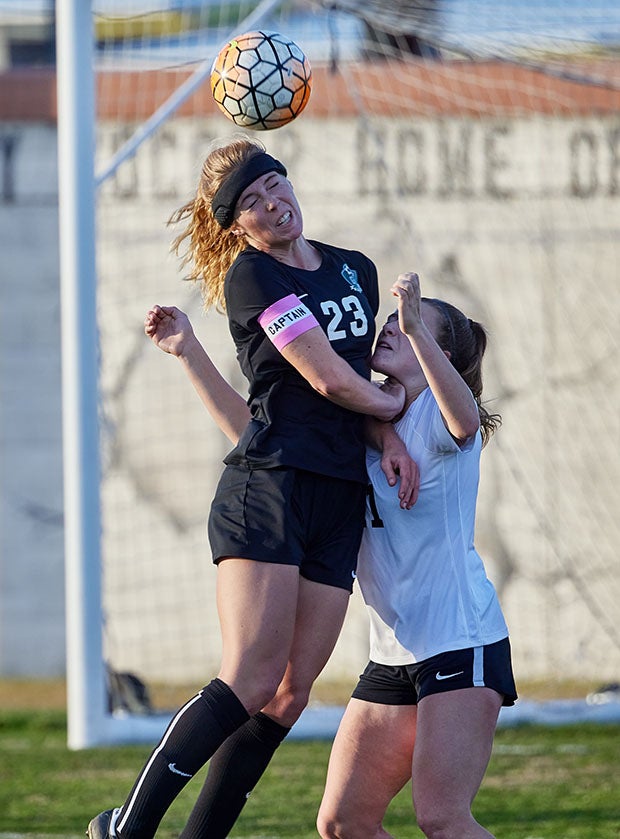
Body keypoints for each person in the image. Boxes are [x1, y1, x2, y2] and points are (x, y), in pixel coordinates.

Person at [87, 137, 418, 839]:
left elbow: (350, 394)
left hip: (338, 497)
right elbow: (330, 379)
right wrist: (409, 404)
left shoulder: (356, 269)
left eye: (275, 186)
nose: (273, 205)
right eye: (252, 203)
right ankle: (127, 826)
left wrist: (385, 435)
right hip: (267, 488)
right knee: (249, 677)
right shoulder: (252, 277)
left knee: (291, 694)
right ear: (236, 224)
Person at [316, 273, 518, 839]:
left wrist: (415, 332)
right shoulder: (369, 421)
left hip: (461, 639)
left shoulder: (442, 413)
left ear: (440, 352)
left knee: (443, 819)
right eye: (391, 321)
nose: (390, 328)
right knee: (343, 822)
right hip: (393, 653)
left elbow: (466, 420)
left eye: (408, 326)